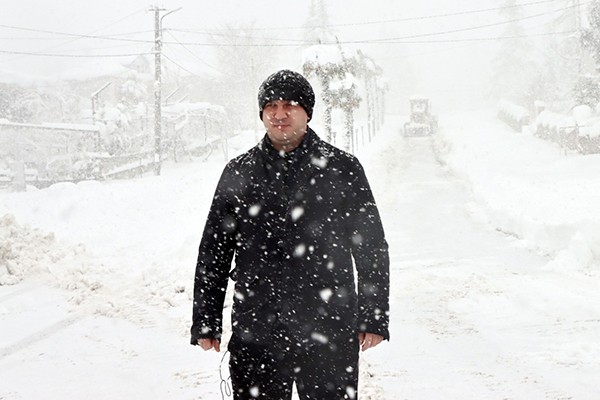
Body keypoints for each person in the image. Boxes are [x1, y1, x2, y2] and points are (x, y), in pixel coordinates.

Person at [191, 69, 390, 399]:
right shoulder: (239, 172)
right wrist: (206, 320)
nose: (279, 114)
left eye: (289, 105)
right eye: (271, 106)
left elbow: (370, 246)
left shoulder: (342, 168)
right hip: (258, 329)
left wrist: (374, 316)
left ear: (307, 112)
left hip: (328, 325)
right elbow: (214, 249)